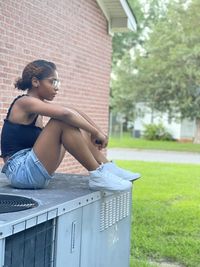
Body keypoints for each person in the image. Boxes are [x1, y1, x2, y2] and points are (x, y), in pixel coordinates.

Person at [0, 60, 140, 191]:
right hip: (20, 172)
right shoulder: (24, 102)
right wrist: (94, 132)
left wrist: (98, 131)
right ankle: (97, 175)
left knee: (70, 118)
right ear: (36, 82)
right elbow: (65, 114)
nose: (57, 88)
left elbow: (71, 111)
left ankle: (107, 167)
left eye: (58, 83)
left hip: (32, 171)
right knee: (61, 120)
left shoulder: (38, 109)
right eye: (53, 82)